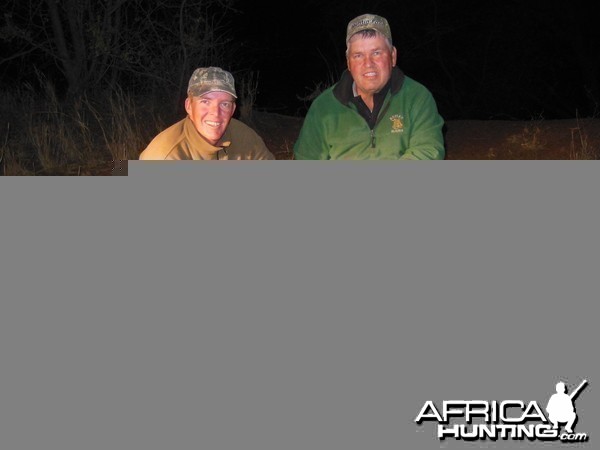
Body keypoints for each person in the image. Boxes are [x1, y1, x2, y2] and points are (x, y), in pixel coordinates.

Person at [293, 13, 445, 160]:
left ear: (393, 56)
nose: (368, 64)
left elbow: (428, 150)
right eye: (358, 55)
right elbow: (306, 159)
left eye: (376, 53)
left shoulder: (417, 97)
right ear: (348, 63)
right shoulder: (323, 107)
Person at [139, 67, 275, 160]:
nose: (216, 113)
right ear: (189, 106)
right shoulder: (165, 155)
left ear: (233, 110)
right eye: (205, 102)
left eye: (224, 104)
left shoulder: (245, 136)